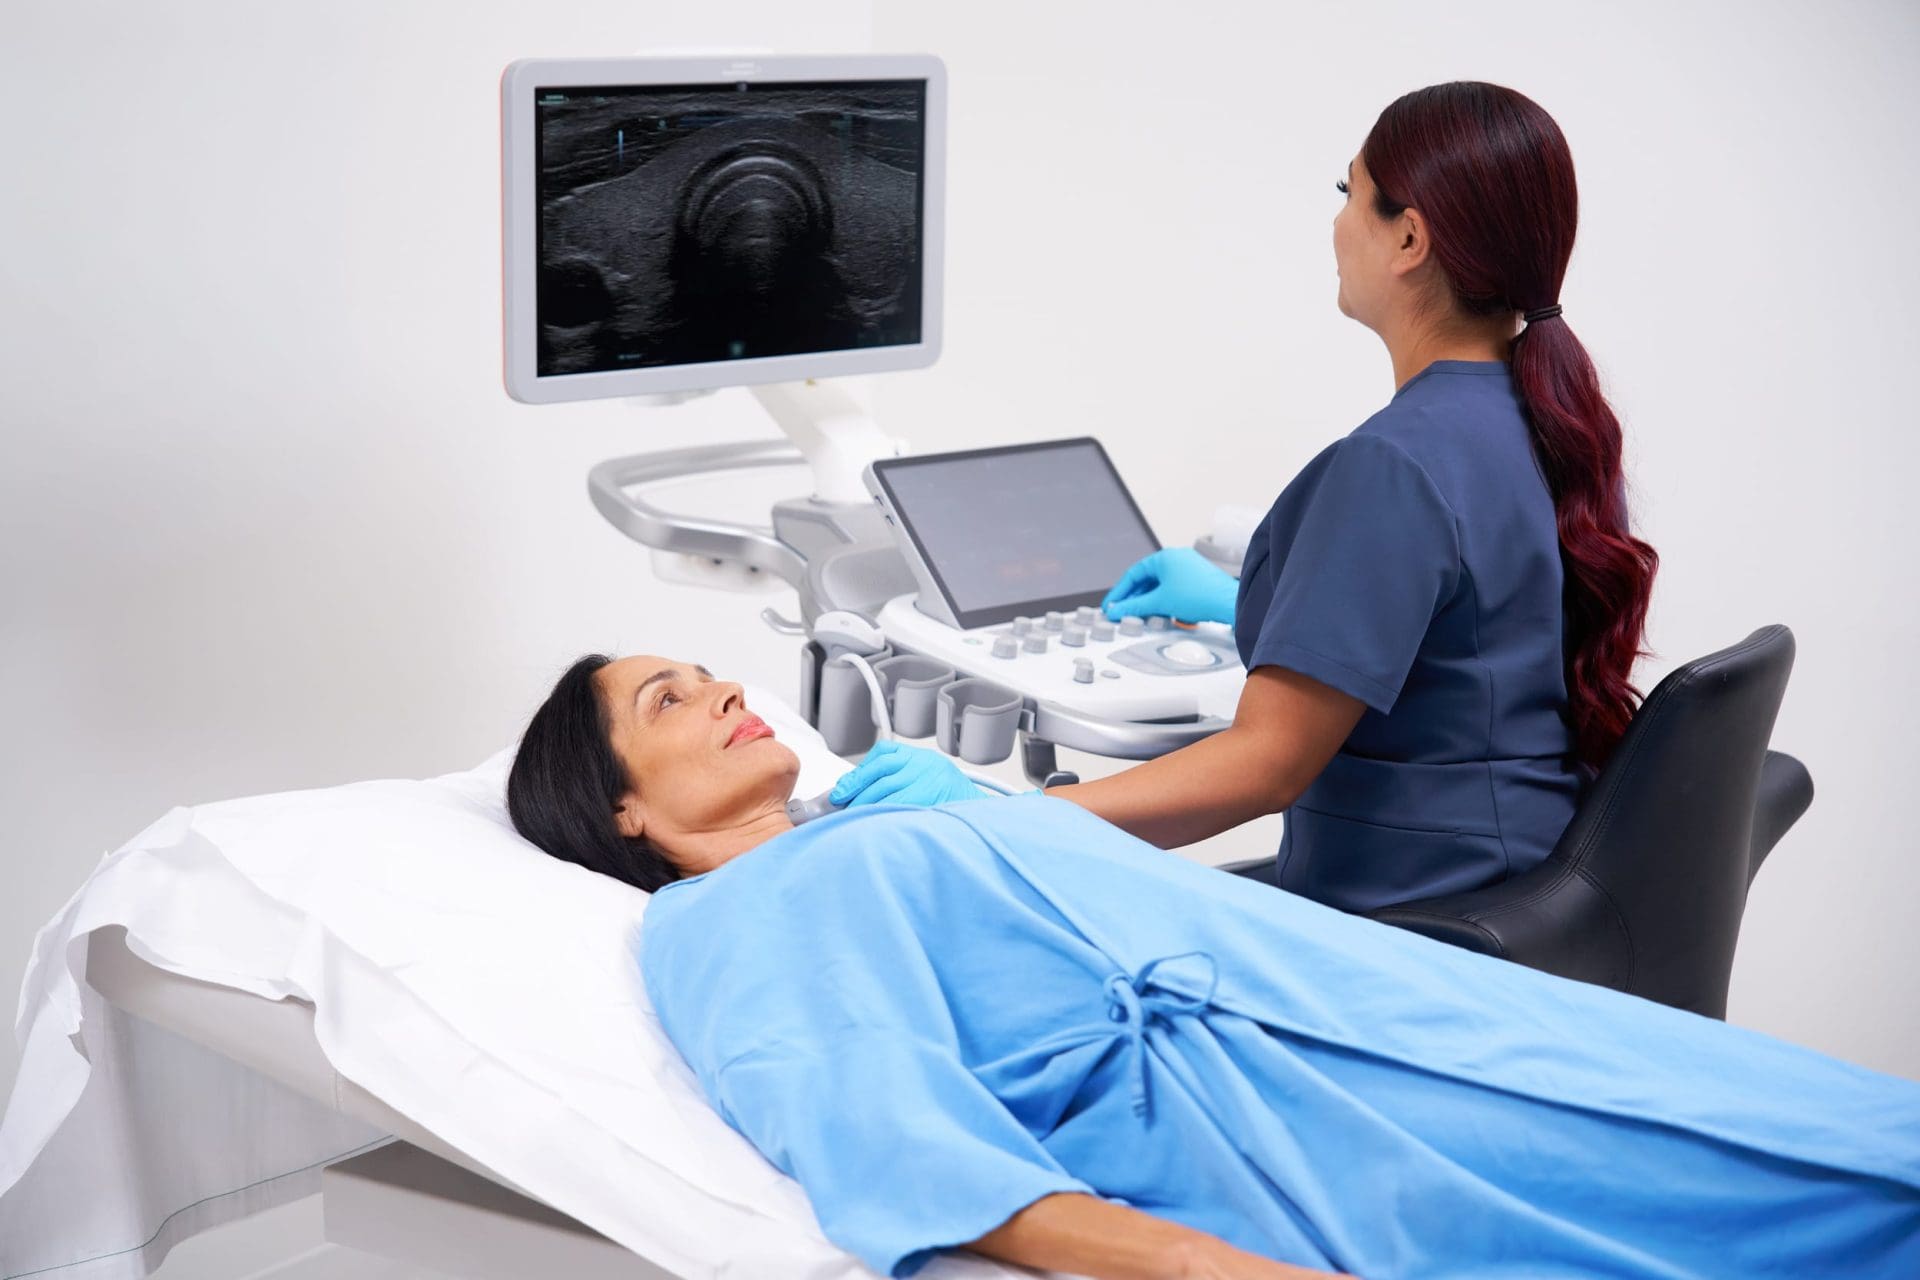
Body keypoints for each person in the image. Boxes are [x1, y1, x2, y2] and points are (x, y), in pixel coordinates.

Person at [506, 653, 1920, 1280]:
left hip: (1392, 994)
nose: (729, 692)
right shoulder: (725, 918)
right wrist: (1196, 1266)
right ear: (619, 809)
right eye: (668, 699)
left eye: (710, 670)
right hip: (1298, 1099)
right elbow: (865, 1120)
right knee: (1781, 1193)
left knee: (1808, 1119)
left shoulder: (866, 820)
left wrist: (968, 817)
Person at [833, 81, 1661, 917]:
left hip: (1404, 921)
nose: (1337, 224)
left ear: (1409, 237)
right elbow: (1473, 640)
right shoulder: (1559, 427)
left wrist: (1000, 814)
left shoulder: (1393, 466)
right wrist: (1251, 605)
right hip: (1518, 886)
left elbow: (1265, 766)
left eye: (1350, 193)